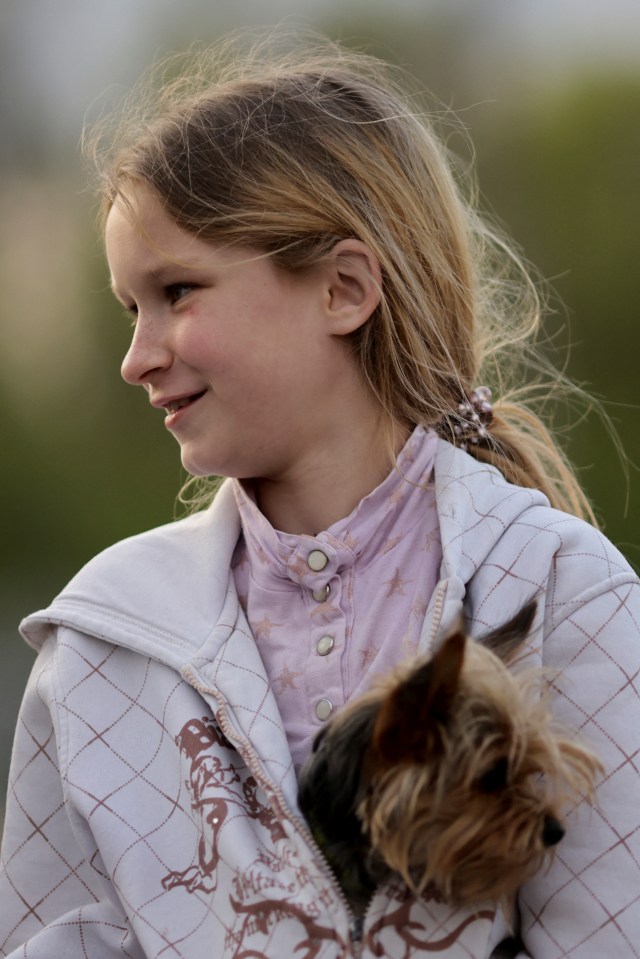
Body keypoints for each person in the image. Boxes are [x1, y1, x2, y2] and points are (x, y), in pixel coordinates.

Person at [0, 34, 638, 959]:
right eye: (128, 308)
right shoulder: (103, 642)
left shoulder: (562, 591)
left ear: (343, 287)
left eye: (177, 290)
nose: (137, 357)